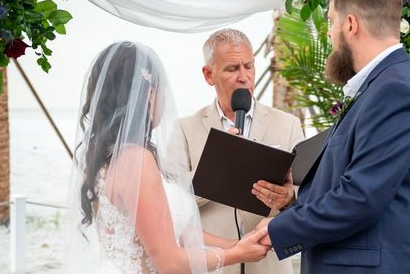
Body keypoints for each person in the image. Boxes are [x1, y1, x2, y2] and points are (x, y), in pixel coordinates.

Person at [256, 0, 410, 273]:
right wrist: (295, 198)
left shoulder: (396, 90)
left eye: (331, 21)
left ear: (351, 24)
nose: (329, 33)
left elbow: (360, 198)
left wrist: (277, 231)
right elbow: (358, 181)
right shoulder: (383, 86)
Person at [64, 41, 269, 274]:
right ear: (150, 95)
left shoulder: (112, 155)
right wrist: (236, 255)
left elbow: (178, 232)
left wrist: (238, 244)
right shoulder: (135, 160)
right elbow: (169, 261)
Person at [176, 29, 305, 274]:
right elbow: (173, 204)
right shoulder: (184, 128)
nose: (244, 76)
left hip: (270, 266)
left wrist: (288, 198)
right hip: (212, 266)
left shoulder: (287, 125)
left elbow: (309, 195)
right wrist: (217, 163)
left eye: (248, 66)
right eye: (232, 69)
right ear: (208, 74)